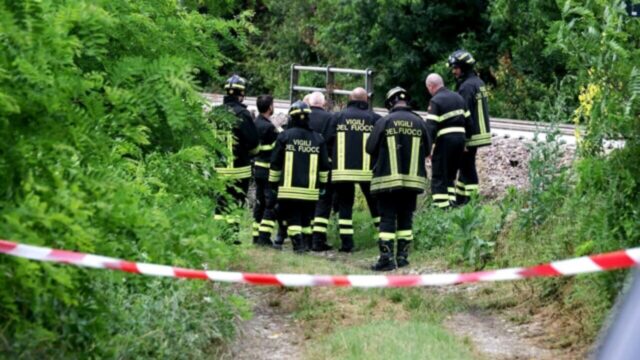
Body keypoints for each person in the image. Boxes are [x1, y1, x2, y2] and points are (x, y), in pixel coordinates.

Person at [366, 87, 431, 271]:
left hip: (387, 181)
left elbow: (370, 148)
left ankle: (386, 259)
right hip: (412, 181)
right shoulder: (419, 122)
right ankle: (402, 257)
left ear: (390, 103)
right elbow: (427, 150)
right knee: (405, 219)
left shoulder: (385, 121)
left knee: (387, 218)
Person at [262, 101, 330, 253]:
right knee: (306, 219)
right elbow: (325, 166)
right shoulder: (318, 139)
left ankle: (299, 246)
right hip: (310, 191)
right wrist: (323, 187)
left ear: (291, 118)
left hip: (288, 190)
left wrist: (273, 185)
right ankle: (305, 245)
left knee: (293, 218)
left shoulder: (284, 136)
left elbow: (275, 163)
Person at [325, 87, 381, 252]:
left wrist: (332, 160)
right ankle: (383, 238)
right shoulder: (374, 118)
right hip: (367, 171)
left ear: (350, 99)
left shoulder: (337, 117)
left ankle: (347, 244)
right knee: (375, 204)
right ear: (366, 100)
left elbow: (327, 140)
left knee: (345, 206)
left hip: (342, 170)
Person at [213, 74, 259, 242]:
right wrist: (251, 154)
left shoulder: (215, 113)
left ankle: (220, 235)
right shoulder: (243, 114)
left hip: (218, 169)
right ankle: (232, 236)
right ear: (241, 94)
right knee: (236, 201)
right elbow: (254, 143)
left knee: (220, 203)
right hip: (239, 169)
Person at [448, 49, 492, 205]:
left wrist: (464, 139)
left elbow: (464, 113)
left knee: (467, 167)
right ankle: (461, 199)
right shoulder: (478, 82)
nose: (454, 71)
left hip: (471, 134)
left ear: (464, 67)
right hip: (480, 132)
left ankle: (472, 201)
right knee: (464, 165)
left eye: (456, 68)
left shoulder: (466, 87)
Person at [425, 73, 468, 209]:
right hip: (460, 141)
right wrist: (467, 143)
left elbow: (431, 127)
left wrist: (427, 149)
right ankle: (451, 204)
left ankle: (441, 208)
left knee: (438, 175)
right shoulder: (459, 98)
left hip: (445, 141)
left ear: (431, 86)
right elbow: (469, 121)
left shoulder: (436, 101)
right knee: (450, 175)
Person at [307, 92, 337, 251]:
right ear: (324, 103)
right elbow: (332, 140)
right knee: (323, 202)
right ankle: (318, 240)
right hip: (324, 166)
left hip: (302, 166)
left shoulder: (301, 115)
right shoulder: (330, 118)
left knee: (305, 201)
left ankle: (305, 237)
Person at [252, 95, 279, 246]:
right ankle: (264, 237)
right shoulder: (269, 127)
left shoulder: (255, 123)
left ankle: (256, 235)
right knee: (271, 204)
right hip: (268, 170)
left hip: (257, 168)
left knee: (259, 202)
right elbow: (276, 149)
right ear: (269, 107)